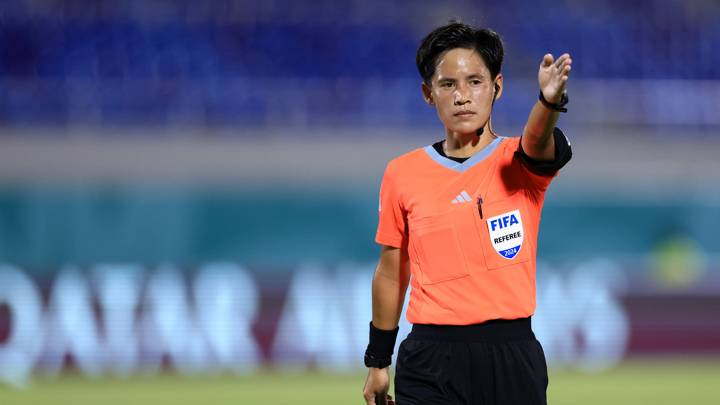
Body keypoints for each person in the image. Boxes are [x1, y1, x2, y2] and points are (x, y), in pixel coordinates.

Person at [362, 22, 573, 405]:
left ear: (497, 87)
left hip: (512, 356)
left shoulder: (519, 163)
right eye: (448, 85)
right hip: (430, 359)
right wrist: (378, 361)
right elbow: (392, 272)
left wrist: (548, 102)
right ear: (429, 94)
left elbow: (538, 138)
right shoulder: (402, 173)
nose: (462, 96)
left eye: (475, 81)